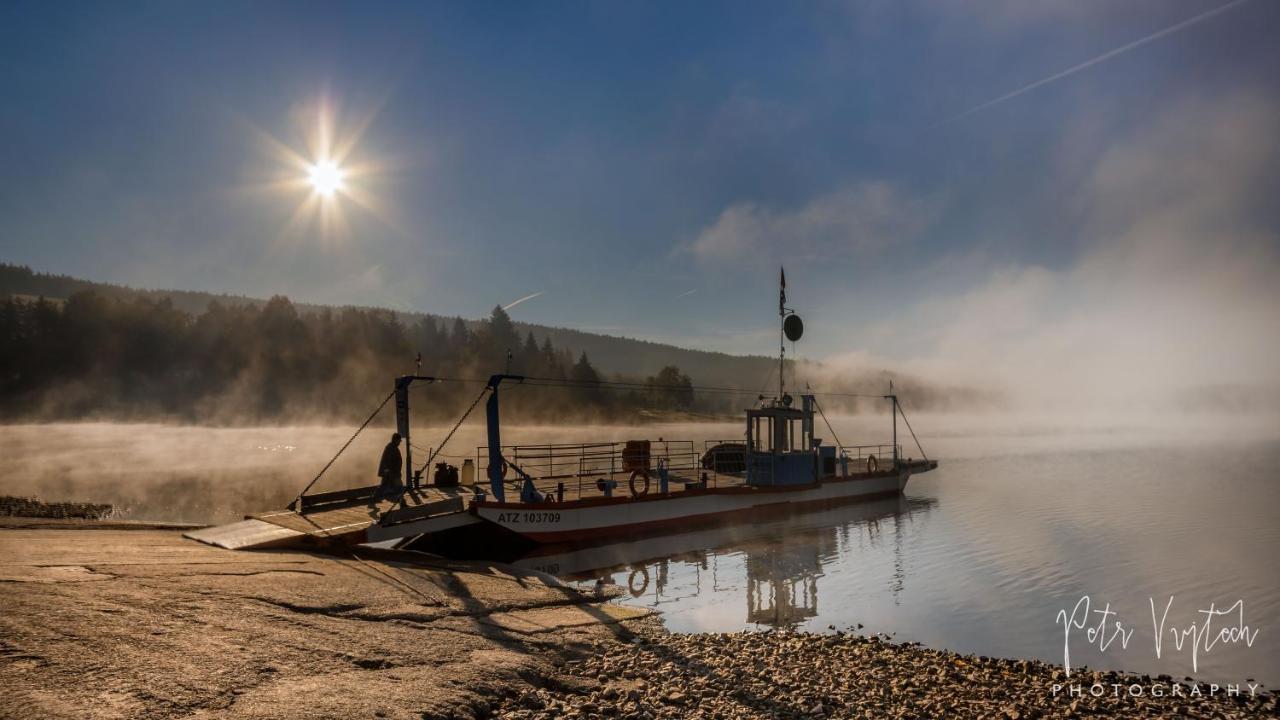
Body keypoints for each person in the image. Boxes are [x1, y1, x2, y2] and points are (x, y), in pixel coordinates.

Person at [376, 432, 404, 501]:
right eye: (399, 441)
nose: (399, 443)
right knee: (399, 487)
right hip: (392, 472)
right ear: (395, 440)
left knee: (385, 486)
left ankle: (375, 497)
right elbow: (388, 461)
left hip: (392, 472)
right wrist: (388, 471)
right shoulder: (391, 448)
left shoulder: (392, 447)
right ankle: (402, 502)